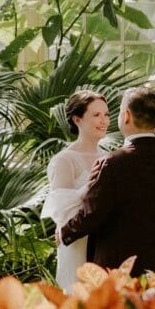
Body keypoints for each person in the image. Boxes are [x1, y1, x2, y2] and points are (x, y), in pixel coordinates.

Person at [59, 87, 155, 276]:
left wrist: (65, 232)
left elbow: (92, 213)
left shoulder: (111, 163)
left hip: (117, 270)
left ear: (126, 115)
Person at [42, 90, 110, 292]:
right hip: (76, 241)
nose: (104, 121)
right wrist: (90, 188)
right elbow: (60, 208)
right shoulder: (65, 160)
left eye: (106, 114)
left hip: (105, 241)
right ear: (77, 119)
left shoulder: (109, 156)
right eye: (96, 115)